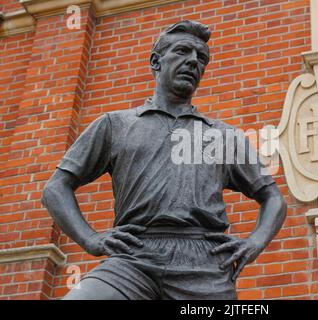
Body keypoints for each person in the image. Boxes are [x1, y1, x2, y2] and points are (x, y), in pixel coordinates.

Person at [41, 20, 287, 300]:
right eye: (183, 51)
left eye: (202, 58)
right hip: (132, 257)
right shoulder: (115, 125)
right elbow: (55, 188)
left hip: (204, 264)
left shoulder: (223, 135)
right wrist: (91, 239)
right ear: (156, 61)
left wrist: (255, 242)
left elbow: (273, 198)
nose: (194, 61)